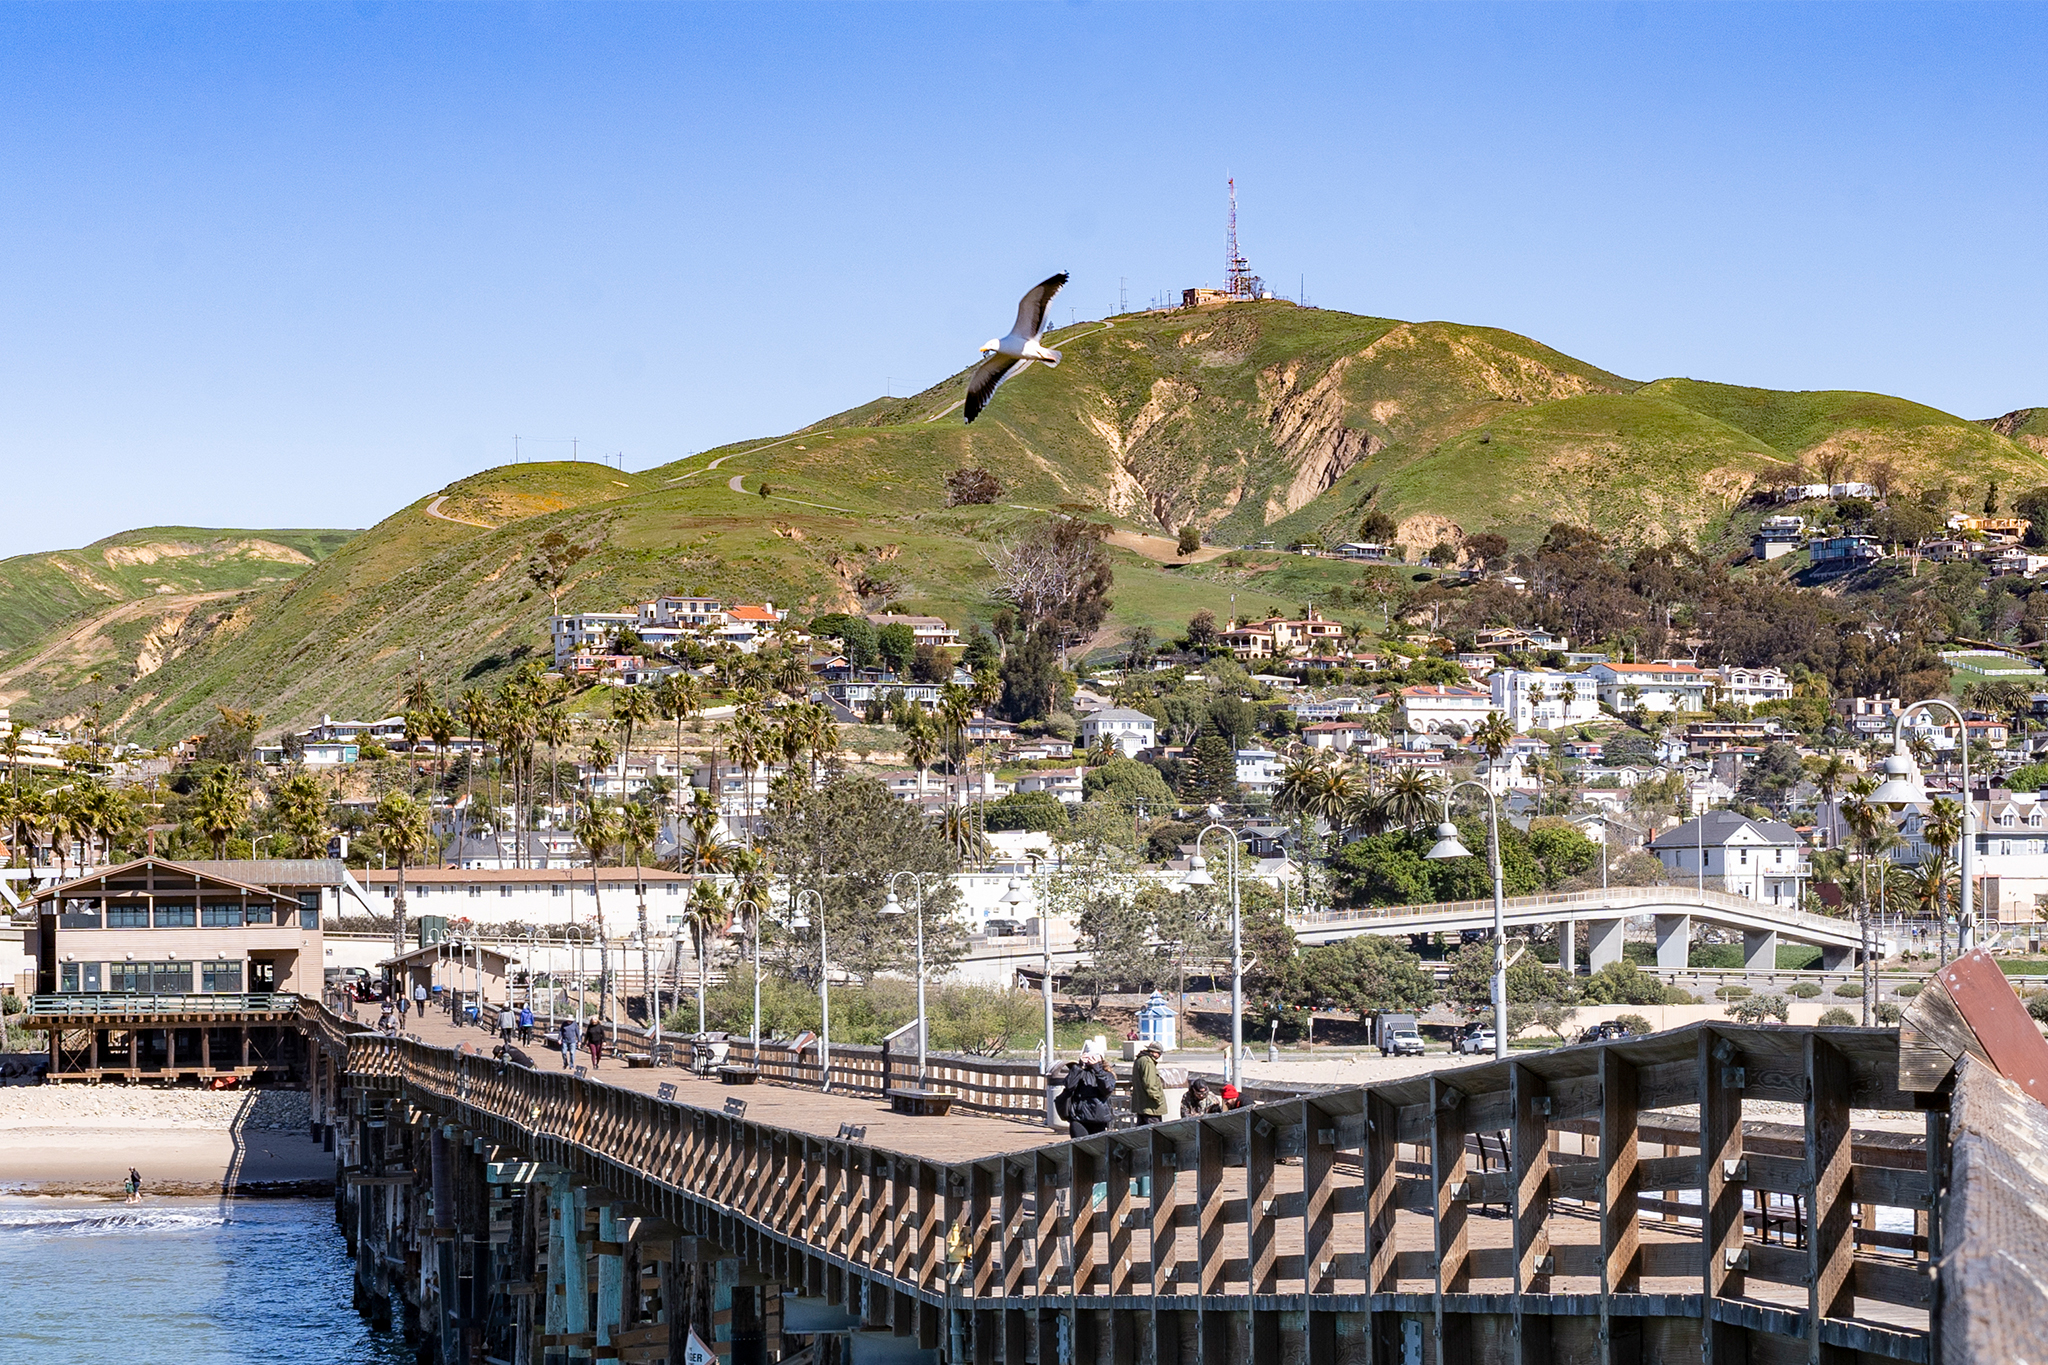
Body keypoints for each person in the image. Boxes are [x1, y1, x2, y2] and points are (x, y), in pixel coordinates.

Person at [1057, 1043, 1116, 1139]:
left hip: (1098, 1118)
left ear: (1101, 1058)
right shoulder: (1078, 1071)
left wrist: (1097, 1070)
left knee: (1096, 1150)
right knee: (1080, 1147)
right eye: (1089, 1056)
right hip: (1078, 1118)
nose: (1091, 1059)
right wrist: (1078, 1066)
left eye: (1095, 1056)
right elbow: (1068, 1085)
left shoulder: (1107, 1074)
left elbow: (1107, 1089)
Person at [1131, 1042, 1167, 1125]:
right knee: (1154, 1133)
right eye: (1159, 1053)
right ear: (1155, 1052)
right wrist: (1158, 1099)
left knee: (1142, 1133)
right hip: (1150, 1107)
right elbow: (1149, 1084)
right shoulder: (1148, 1062)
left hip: (1141, 1106)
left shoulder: (1139, 1060)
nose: (1159, 1056)